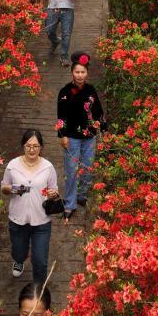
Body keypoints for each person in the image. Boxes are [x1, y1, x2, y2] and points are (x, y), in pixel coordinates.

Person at [1, 129, 59, 283]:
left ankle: (39, 291)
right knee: (19, 251)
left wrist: (53, 193)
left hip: (41, 221)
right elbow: (3, 187)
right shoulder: (12, 166)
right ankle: (19, 261)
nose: (32, 150)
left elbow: (54, 189)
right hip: (17, 220)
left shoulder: (48, 167)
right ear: (23, 146)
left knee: (40, 261)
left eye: (36, 146)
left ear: (41, 147)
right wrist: (17, 189)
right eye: (28, 146)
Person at [56, 51, 104, 221]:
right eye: (77, 72)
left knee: (87, 167)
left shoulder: (91, 90)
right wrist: (62, 135)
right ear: (72, 72)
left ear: (87, 73)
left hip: (90, 135)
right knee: (71, 170)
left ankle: (82, 195)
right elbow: (61, 115)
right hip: (72, 136)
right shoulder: (65, 92)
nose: (80, 75)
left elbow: (98, 110)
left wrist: (101, 126)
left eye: (83, 72)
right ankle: (69, 203)